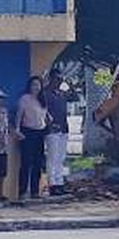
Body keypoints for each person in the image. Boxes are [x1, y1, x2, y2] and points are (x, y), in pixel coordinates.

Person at [15, 76, 49, 200]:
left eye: (38, 85)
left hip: (40, 132)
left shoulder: (42, 99)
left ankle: (35, 191)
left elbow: (44, 115)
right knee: (26, 163)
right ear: (29, 86)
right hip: (28, 132)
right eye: (34, 85)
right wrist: (17, 130)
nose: (36, 87)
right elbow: (19, 115)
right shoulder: (25, 99)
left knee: (38, 163)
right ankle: (22, 192)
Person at [43, 68, 70, 196]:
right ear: (51, 79)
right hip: (52, 129)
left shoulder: (61, 94)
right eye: (57, 79)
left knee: (61, 157)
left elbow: (73, 95)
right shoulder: (45, 93)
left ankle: (59, 182)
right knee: (52, 157)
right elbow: (43, 111)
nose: (59, 82)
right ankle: (52, 184)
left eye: (61, 79)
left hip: (64, 128)